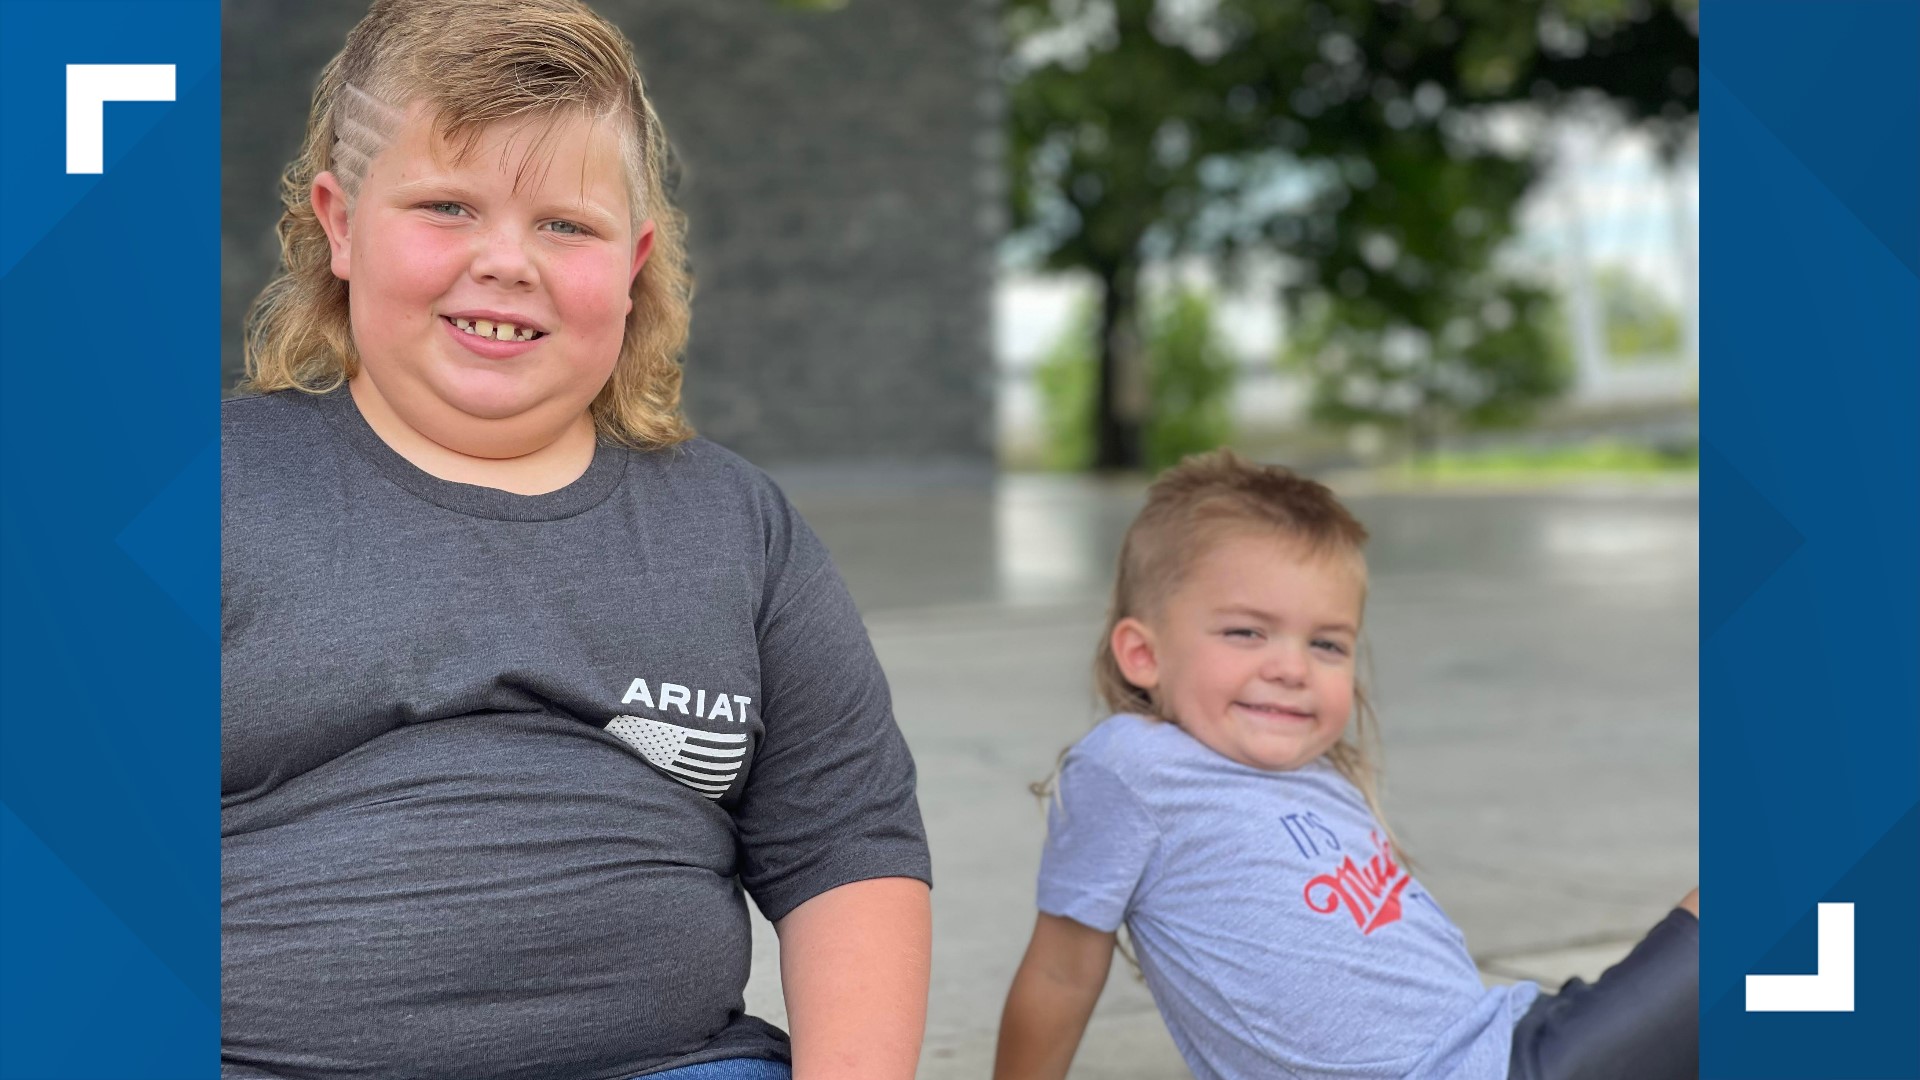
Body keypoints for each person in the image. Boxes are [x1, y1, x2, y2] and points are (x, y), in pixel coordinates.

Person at [221, 2, 931, 1078]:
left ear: (636, 260)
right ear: (342, 224)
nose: (507, 261)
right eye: (448, 206)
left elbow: (850, 848)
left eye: (567, 224)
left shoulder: (733, 527)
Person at [992, 450, 1697, 1080]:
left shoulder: (1319, 774)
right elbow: (1059, 972)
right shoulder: (1130, 765)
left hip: (1514, 1036)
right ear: (1143, 653)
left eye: (1327, 645)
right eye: (1245, 632)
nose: (1292, 668)